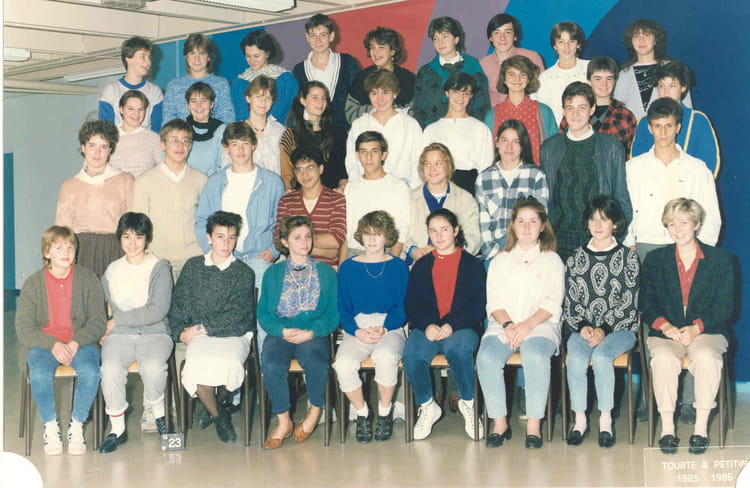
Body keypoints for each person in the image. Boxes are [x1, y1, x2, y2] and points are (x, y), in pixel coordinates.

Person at [641, 198, 735, 455]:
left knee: (706, 358)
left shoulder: (721, 260)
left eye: (684, 223)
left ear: (697, 224)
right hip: (666, 332)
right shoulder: (654, 259)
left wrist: (696, 328)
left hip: (707, 331)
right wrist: (665, 326)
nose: (678, 229)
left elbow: (725, 306)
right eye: (671, 224)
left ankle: (700, 430)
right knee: (662, 359)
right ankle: (667, 430)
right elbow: (646, 302)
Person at [477, 198, 564, 449]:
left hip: (541, 324)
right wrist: (509, 326)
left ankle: (533, 426)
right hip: (505, 324)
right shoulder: (500, 260)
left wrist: (527, 326)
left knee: (534, 355)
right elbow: (494, 302)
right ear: (513, 226)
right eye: (521, 221)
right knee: (486, 358)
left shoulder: (552, 260)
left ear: (542, 226)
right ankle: (500, 424)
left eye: (533, 222)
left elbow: (553, 302)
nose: (526, 227)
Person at [15, 226, 105, 455]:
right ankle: (50, 426)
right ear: (47, 253)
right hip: (44, 344)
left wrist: (76, 342)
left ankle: (77, 425)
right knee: (39, 373)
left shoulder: (88, 279)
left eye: (70, 247)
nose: (66, 252)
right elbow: (24, 328)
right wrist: (52, 344)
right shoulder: (33, 284)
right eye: (59, 248)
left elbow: (98, 322)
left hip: (80, 342)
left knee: (91, 371)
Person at [168, 210, 255, 444]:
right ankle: (219, 416)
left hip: (234, 334)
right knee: (198, 366)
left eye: (231, 237)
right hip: (201, 337)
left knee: (230, 365)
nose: (226, 244)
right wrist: (180, 331)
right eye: (220, 237)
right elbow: (179, 303)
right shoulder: (193, 267)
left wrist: (200, 328)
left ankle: (214, 406)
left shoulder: (243, 272)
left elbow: (238, 314)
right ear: (209, 237)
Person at [563, 195, 640, 448]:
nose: (598, 225)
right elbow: (570, 300)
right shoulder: (576, 257)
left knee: (601, 357)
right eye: (593, 219)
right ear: (587, 223)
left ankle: (605, 421)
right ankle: (580, 421)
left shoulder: (628, 258)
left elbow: (629, 302)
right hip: (584, 329)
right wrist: (583, 326)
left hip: (619, 329)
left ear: (615, 224)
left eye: (604, 219)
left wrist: (604, 329)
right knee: (576, 357)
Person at [403, 208, 486, 441]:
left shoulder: (472, 265)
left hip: (462, 326)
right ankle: (427, 405)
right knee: (411, 356)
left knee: (458, 350)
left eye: (444, 229)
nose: (439, 236)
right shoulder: (421, 266)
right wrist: (426, 324)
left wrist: (452, 325)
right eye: (433, 231)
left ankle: (468, 403)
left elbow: (478, 305)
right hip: (428, 326)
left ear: (456, 231)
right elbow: (412, 303)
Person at [258, 216, 339, 449]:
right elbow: (263, 313)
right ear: (285, 242)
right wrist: (281, 330)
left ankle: (314, 412)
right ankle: (284, 421)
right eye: (297, 238)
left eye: (307, 236)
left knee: (316, 361)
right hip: (282, 331)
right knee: (271, 363)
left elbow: (333, 314)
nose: (304, 242)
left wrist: (312, 332)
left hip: (312, 332)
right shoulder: (272, 273)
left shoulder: (326, 272)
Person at [98, 212, 173, 453]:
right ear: (119, 238)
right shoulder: (112, 270)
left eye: (138, 237)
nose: (132, 243)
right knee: (110, 369)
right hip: (120, 335)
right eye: (127, 237)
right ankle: (117, 429)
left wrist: (116, 320)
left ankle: (159, 414)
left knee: (152, 367)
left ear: (147, 239)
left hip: (155, 332)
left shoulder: (160, 267)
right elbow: (106, 308)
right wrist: (105, 329)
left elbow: (157, 310)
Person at [334, 211, 408, 443]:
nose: (372, 239)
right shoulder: (348, 267)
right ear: (360, 236)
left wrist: (384, 328)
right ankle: (363, 413)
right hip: (357, 327)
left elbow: (404, 304)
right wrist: (356, 330)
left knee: (385, 357)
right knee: (343, 364)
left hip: (390, 326)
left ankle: (384, 413)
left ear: (387, 236)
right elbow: (341, 307)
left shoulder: (398, 266)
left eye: (378, 234)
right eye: (367, 234)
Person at [195, 122, 284, 305]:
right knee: (225, 311)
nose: (240, 150)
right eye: (234, 144)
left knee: (259, 313)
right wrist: (212, 251)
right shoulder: (214, 183)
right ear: (226, 148)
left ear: (254, 145)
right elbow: (202, 220)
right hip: (225, 259)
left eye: (245, 143)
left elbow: (282, 221)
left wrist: (274, 250)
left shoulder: (272, 182)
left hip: (259, 259)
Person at [540, 82, 631, 261]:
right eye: (570, 108)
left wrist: (612, 241)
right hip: (559, 241)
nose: (575, 114)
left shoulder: (611, 146)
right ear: (563, 110)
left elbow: (622, 200)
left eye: (582, 108)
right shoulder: (549, 148)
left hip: (597, 239)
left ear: (592, 109)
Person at [625, 97, 721, 261]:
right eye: (658, 126)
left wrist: (701, 249)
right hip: (644, 247)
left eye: (669, 126)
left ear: (678, 127)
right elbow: (625, 209)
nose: (663, 133)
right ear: (650, 128)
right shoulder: (632, 168)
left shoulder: (698, 169)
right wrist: (629, 244)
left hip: (686, 247)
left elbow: (710, 214)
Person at [55, 120, 133, 277]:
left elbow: (132, 225)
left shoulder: (125, 180)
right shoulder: (69, 185)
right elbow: (62, 231)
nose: (97, 152)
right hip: (82, 251)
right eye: (92, 145)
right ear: (83, 148)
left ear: (110, 150)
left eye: (103, 147)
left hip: (115, 249)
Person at [133, 119, 207, 281]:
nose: (180, 145)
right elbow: (138, 227)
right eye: (174, 140)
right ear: (162, 145)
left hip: (193, 260)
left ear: (190, 146)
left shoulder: (201, 180)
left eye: (185, 141)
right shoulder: (145, 181)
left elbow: (207, 222)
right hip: (157, 261)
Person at [630, 61, 720, 176]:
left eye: (672, 86)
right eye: (661, 86)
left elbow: (709, 166)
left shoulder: (698, 121)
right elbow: (637, 162)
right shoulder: (645, 121)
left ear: (683, 87)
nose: (666, 91)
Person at [477, 119, 549, 260]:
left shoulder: (536, 176)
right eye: (504, 140)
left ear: (523, 145)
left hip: (528, 247)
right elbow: (482, 225)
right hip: (495, 250)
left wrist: (526, 252)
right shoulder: (484, 178)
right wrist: (495, 254)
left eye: (516, 142)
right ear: (497, 142)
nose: (509, 147)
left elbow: (541, 218)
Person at [344, 70, 422, 189]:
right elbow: (352, 163)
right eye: (374, 93)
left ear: (394, 94)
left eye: (385, 92)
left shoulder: (410, 125)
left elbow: (417, 163)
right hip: (367, 189)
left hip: (401, 191)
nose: (380, 99)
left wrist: (411, 190)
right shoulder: (359, 125)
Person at [404, 143, 480, 263]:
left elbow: (473, 239)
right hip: (417, 264)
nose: (432, 169)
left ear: (448, 166)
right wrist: (412, 251)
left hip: (454, 265)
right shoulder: (409, 198)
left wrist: (450, 252)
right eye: (427, 164)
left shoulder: (465, 199)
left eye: (438, 163)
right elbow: (401, 233)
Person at [422, 72, 494, 194]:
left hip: (469, 188)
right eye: (455, 91)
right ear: (447, 93)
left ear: (471, 96)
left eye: (466, 93)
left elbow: (485, 167)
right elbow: (424, 165)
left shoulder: (480, 129)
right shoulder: (431, 130)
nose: (460, 98)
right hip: (438, 185)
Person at [274, 145, 346, 268]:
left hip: (327, 270)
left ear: (321, 169)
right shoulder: (287, 201)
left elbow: (336, 239)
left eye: (310, 168)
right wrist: (326, 252)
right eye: (299, 169)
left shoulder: (336, 200)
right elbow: (279, 240)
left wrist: (296, 242)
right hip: (294, 269)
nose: (305, 174)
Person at [413, 16, 490, 128]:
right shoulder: (426, 72)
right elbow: (419, 110)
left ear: (456, 39)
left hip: (468, 131)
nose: (440, 42)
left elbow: (482, 107)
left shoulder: (472, 68)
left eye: (445, 36)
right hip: (434, 134)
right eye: (435, 38)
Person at [343, 131, 409, 259]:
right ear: (357, 155)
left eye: (374, 151)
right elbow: (347, 232)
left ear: (383, 155)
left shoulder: (398, 186)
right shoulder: (351, 187)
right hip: (355, 252)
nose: (369, 157)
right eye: (363, 152)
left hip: (386, 251)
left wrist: (390, 262)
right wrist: (342, 264)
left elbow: (402, 231)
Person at [484, 55, 556, 166]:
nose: (517, 79)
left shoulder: (543, 111)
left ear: (529, 79)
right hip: (502, 174)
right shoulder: (492, 115)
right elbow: (487, 153)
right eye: (511, 74)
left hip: (537, 173)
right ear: (504, 79)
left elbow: (554, 149)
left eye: (523, 74)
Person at [614, 19, 693, 120]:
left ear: (655, 39)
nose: (641, 40)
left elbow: (687, 107)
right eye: (636, 36)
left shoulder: (673, 68)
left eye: (646, 35)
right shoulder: (623, 74)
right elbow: (617, 110)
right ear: (631, 41)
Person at [292, 13, 359, 130]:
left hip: (346, 132)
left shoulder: (347, 62)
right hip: (312, 133)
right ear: (307, 37)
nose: (318, 40)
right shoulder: (299, 70)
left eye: (323, 35)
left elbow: (358, 99)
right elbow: (298, 107)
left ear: (331, 36)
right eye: (313, 35)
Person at [560, 56, 637, 153]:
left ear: (615, 81)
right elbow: (560, 148)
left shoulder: (625, 115)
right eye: (598, 79)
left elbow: (630, 153)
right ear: (589, 81)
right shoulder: (574, 114)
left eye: (609, 79)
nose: (604, 84)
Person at [280, 81, 347, 191]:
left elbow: (343, 171)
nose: (320, 102)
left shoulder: (338, 133)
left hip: (332, 194)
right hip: (301, 195)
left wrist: (342, 187)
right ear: (303, 101)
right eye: (315, 98)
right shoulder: (290, 135)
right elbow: (287, 175)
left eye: (324, 98)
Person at [346, 26, 416, 124]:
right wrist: (374, 109)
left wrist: (394, 112)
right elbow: (350, 111)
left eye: (381, 47)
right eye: (372, 48)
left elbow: (416, 112)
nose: (375, 52)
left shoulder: (407, 78)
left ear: (392, 51)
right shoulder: (361, 77)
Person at [162, 33, 234, 125]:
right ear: (186, 57)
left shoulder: (221, 84)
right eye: (192, 53)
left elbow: (227, 118)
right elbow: (168, 120)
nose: (197, 59)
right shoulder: (174, 85)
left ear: (209, 57)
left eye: (202, 53)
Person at [231, 29, 299, 124]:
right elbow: (240, 114)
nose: (252, 61)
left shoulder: (285, 79)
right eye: (248, 56)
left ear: (267, 53)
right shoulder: (239, 82)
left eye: (256, 56)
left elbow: (286, 111)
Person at [479, 13, 544, 107]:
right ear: (490, 38)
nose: (502, 38)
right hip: (496, 114)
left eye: (508, 32)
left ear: (515, 36)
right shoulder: (483, 65)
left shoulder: (532, 58)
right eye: (497, 33)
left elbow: (542, 92)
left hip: (529, 113)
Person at [99, 36, 163, 131]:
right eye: (143, 56)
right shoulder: (111, 90)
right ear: (128, 58)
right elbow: (105, 129)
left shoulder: (155, 91)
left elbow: (157, 128)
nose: (148, 62)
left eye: (149, 57)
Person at [534, 21, 590, 125]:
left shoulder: (590, 69)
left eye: (571, 41)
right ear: (554, 45)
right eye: (561, 42)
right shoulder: (543, 79)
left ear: (578, 44)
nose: (566, 47)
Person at [108, 90, 162, 177]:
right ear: (121, 109)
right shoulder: (108, 136)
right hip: (114, 184)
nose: (136, 114)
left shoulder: (153, 139)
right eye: (130, 109)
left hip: (144, 185)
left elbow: (164, 169)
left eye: (141, 109)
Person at [242, 75, 285, 177]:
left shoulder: (280, 131)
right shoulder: (237, 132)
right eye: (258, 96)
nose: (263, 102)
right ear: (248, 98)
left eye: (268, 98)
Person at [185, 82, 227, 176]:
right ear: (188, 105)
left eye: (204, 101)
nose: (199, 105)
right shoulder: (181, 129)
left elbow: (224, 164)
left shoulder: (222, 130)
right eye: (193, 101)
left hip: (213, 181)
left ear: (211, 104)